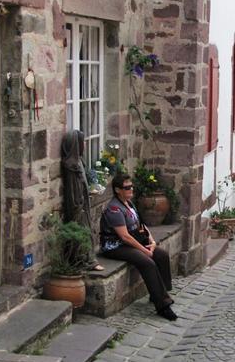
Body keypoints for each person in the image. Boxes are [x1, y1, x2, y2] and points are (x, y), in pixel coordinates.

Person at [99, 173, 178, 321]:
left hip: (132, 241)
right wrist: (144, 251)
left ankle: (161, 293)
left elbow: (141, 225)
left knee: (161, 255)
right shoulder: (114, 209)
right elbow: (124, 236)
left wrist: (152, 243)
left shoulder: (129, 203)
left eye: (131, 186)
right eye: (127, 187)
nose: (131, 189)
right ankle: (163, 306)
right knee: (147, 262)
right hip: (115, 246)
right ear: (117, 190)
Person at [60, 130, 104, 271]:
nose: (84, 144)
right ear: (75, 144)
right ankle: (84, 260)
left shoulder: (79, 161)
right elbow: (73, 190)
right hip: (78, 206)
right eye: (82, 141)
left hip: (84, 202)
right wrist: (79, 205)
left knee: (87, 230)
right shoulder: (71, 165)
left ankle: (87, 259)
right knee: (82, 231)